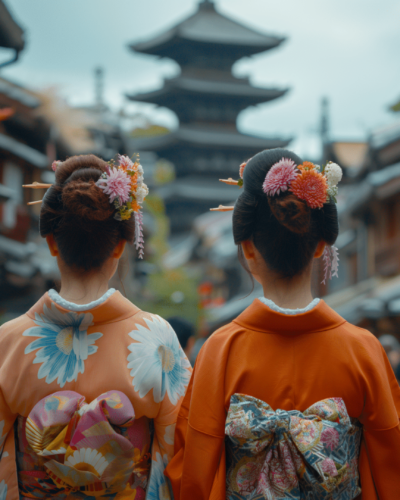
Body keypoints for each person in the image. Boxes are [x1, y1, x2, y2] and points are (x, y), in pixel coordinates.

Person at [165, 149, 400, 500]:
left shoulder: (221, 348)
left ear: (246, 248)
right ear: (321, 244)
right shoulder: (363, 348)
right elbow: (390, 465)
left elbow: (195, 474)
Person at [0, 155, 191, 500]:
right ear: (120, 245)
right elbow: (178, 449)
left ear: (52, 242)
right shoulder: (157, 340)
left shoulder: (8, 341)